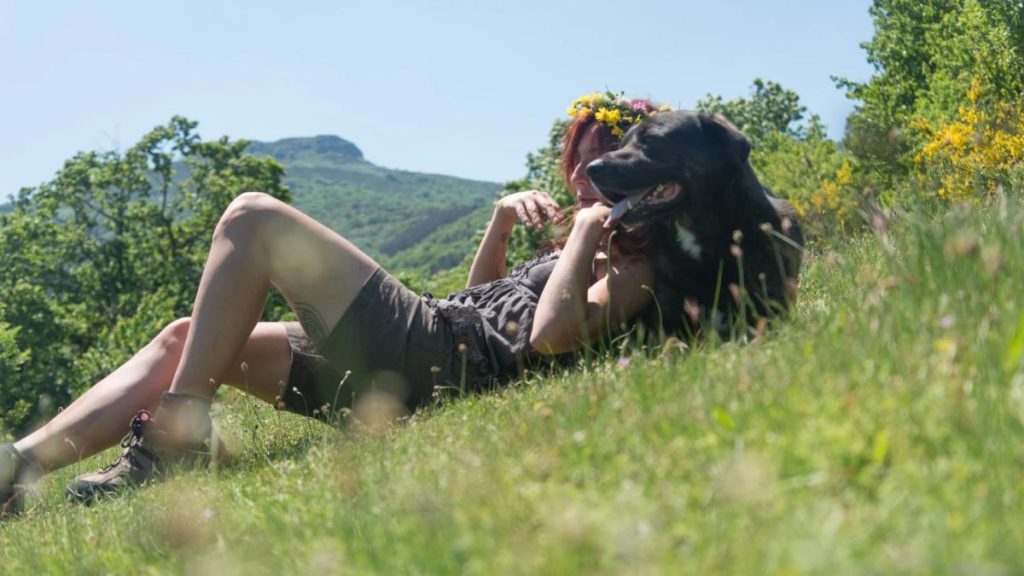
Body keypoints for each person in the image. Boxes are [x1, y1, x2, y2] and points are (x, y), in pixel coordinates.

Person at [1, 92, 668, 516]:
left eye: (601, 158)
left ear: (640, 166)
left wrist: (584, 234)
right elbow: (474, 303)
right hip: (426, 348)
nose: (581, 176)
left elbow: (551, 335)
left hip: (431, 357)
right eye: (575, 162)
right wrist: (497, 228)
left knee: (252, 218)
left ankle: (175, 440)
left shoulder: (637, 262)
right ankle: (19, 467)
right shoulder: (587, 243)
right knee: (186, 339)